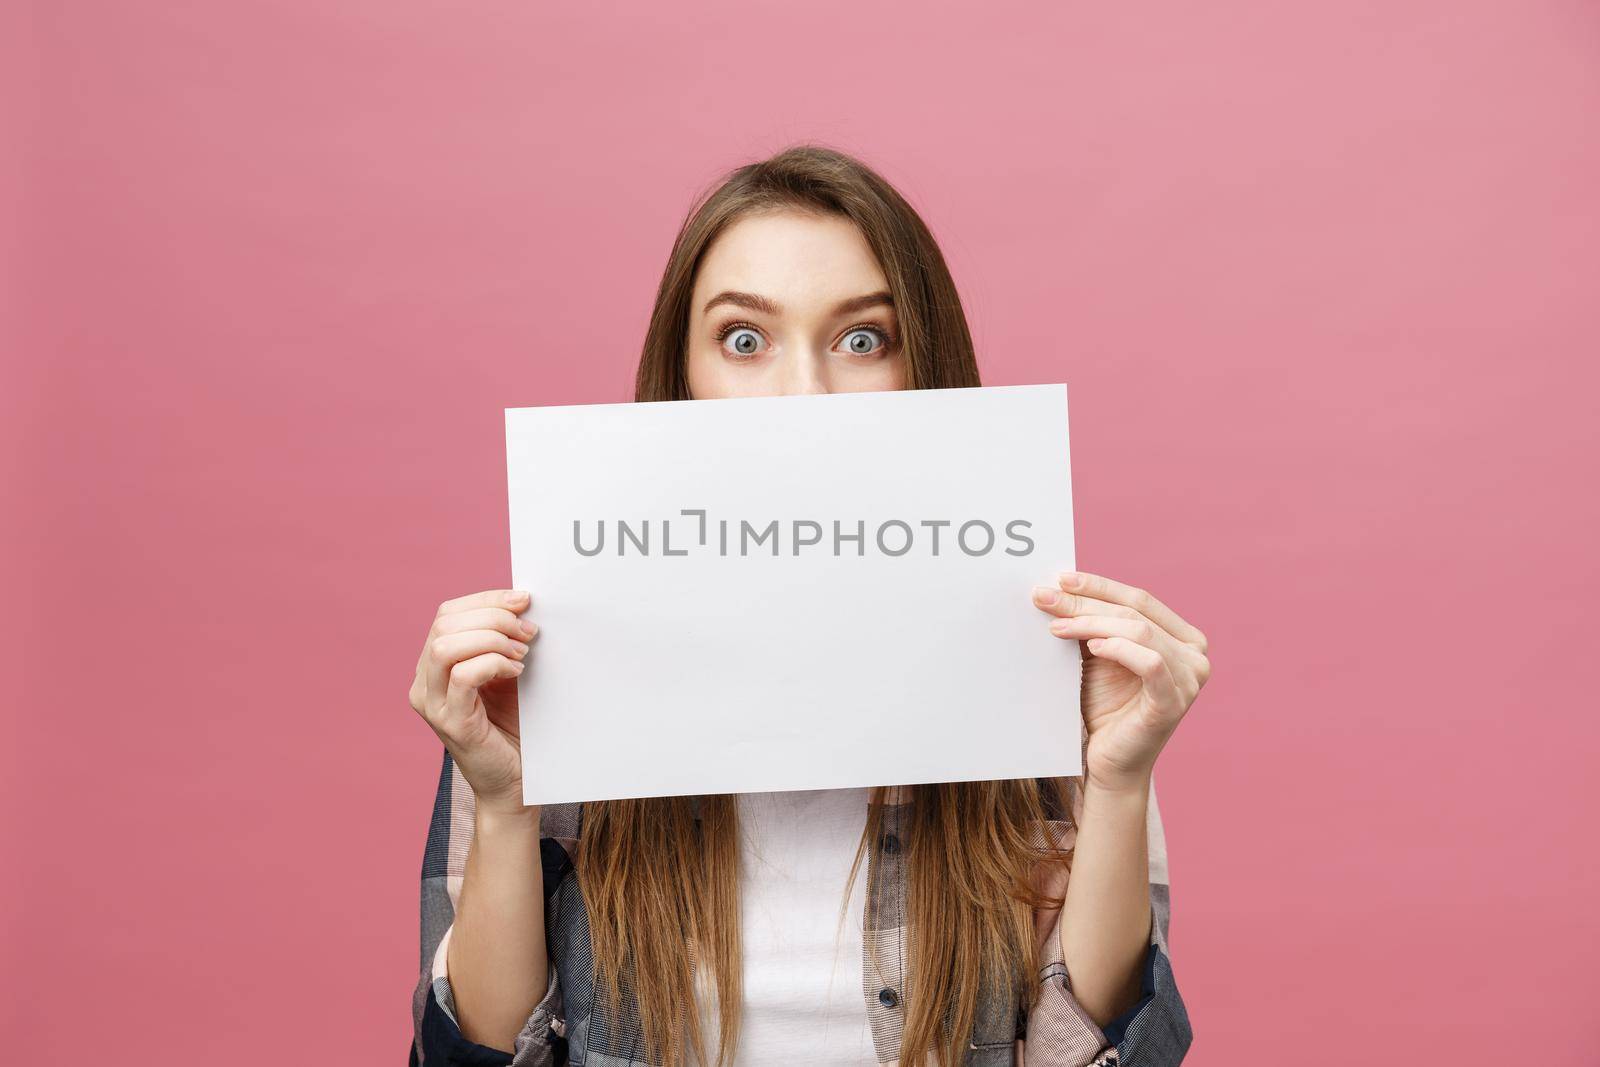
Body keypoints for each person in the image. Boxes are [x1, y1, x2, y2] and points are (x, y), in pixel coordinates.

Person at [407, 145, 1208, 1067]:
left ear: (926, 370)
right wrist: (505, 801)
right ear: (683, 376)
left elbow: (1104, 1056)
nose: (802, 395)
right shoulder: (542, 677)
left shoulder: (1049, 672)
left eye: (862, 339)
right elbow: (476, 1057)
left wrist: (1116, 783)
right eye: (744, 340)